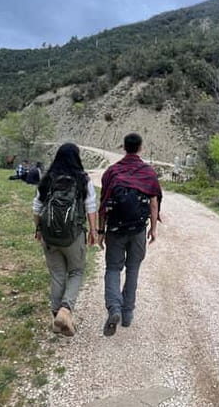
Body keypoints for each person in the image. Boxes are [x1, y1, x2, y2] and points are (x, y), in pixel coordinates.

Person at [98, 133, 162, 336]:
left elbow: (103, 204)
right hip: (137, 231)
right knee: (133, 269)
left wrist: (100, 231)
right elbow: (154, 203)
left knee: (113, 269)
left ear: (123, 147)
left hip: (115, 229)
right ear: (140, 148)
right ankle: (127, 314)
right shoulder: (148, 172)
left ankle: (114, 308)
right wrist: (153, 228)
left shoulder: (112, 172)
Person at [33, 144, 97, 336]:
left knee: (57, 274)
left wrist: (38, 229)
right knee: (76, 271)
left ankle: (56, 317)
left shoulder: (47, 179)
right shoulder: (83, 179)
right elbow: (90, 207)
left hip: (49, 236)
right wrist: (93, 231)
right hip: (73, 236)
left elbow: (36, 207)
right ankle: (66, 310)